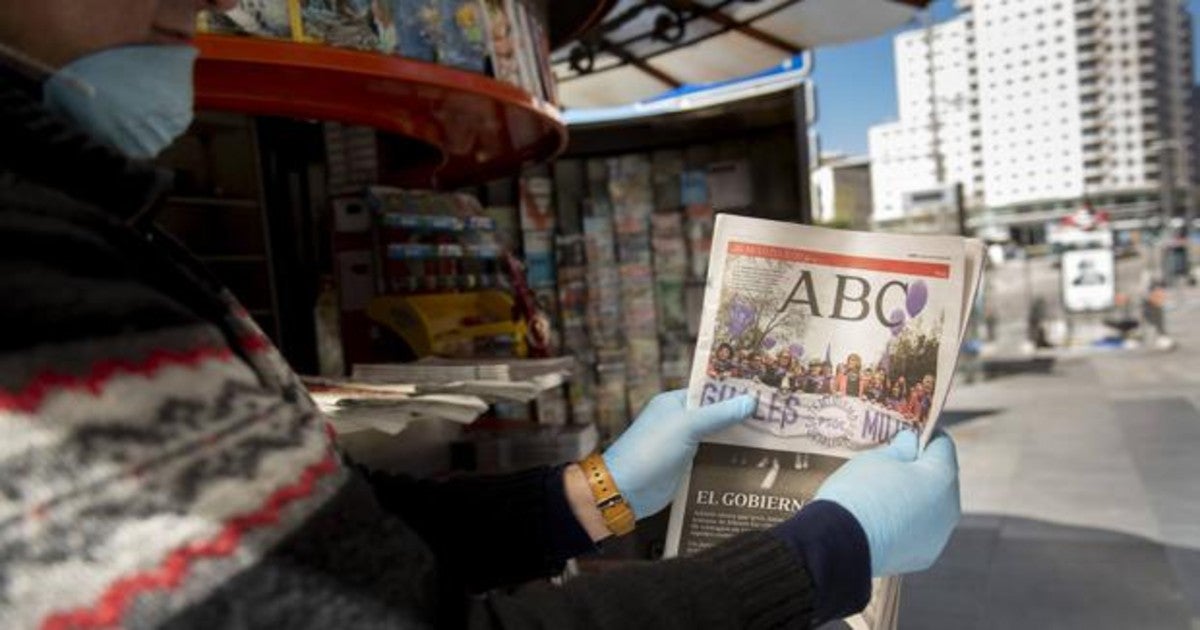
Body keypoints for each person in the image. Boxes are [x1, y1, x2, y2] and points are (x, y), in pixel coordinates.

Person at [0, 3, 961, 628]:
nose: (188, 4)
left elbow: (342, 537)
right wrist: (825, 553)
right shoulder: (33, 264)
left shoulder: (83, 219)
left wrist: (598, 491)